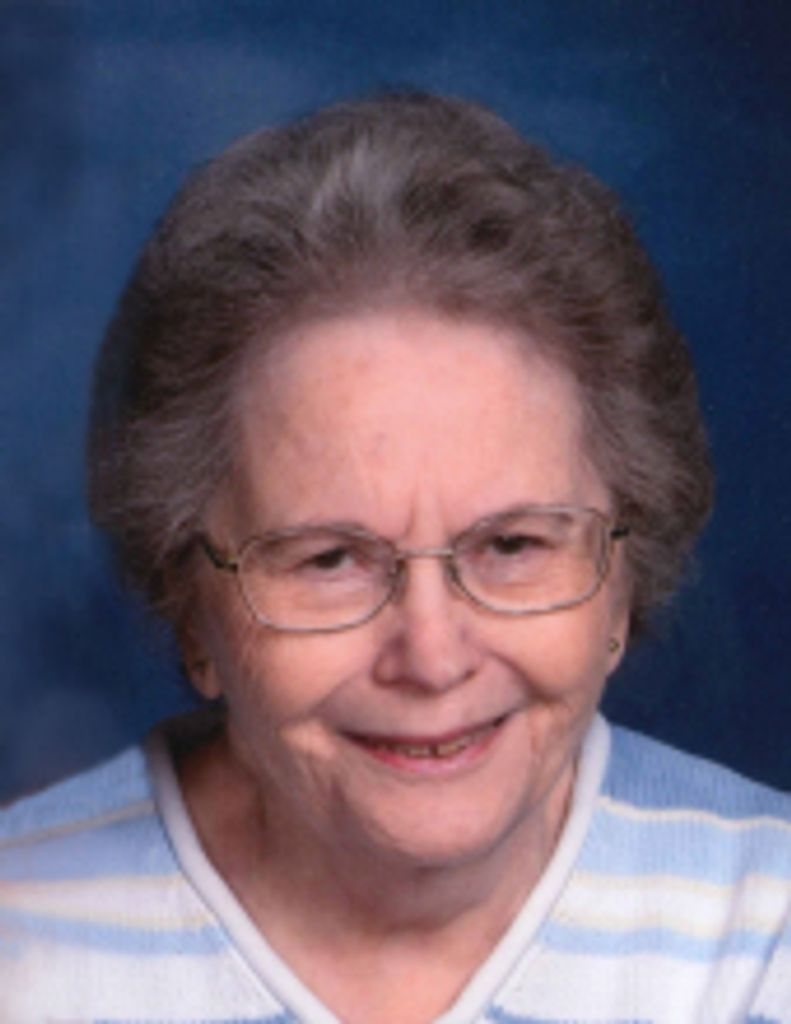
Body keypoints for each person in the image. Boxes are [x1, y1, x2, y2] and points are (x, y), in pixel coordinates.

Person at [1, 93, 788, 1024]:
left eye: (512, 545)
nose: (431, 656)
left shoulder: (764, 931)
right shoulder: (22, 934)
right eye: (329, 559)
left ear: (619, 587)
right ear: (192, 610)